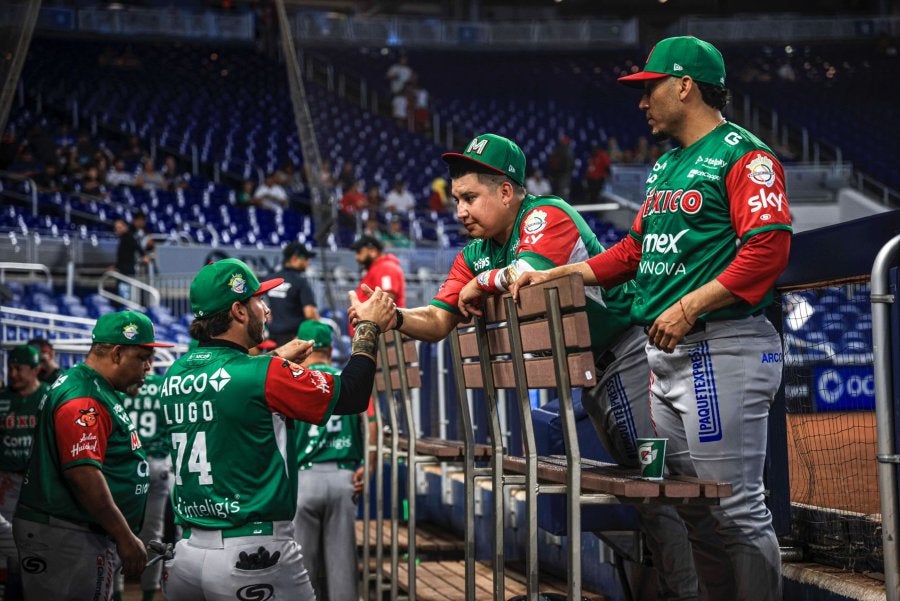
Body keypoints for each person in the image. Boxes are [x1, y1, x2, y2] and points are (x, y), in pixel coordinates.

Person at [353, 133, 697, 599]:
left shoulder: (545, 214)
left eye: (471, 198)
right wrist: (393, 316)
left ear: (506, 192)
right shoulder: (474, 253)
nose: (460, 212)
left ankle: (688, 592)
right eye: (456, 200)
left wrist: (484, 281)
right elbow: (436, 320)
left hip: (630, 356)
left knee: (658, 489)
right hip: (593, 373)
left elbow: (524, 276)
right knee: (648, 491)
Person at [511, 36, 792, 601]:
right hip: (669, 356)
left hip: (723, 346)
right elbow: (633, 251)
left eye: (650, 88)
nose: (643, 102)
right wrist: (562, 276)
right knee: (686, 505)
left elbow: (769, 247)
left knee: (736, 510)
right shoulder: (665, 165)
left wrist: (689, 306)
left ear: (684, 85)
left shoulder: (744, 155)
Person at [160, 258, 395, 601]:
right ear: (239, 312)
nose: (267, 311)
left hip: (188, 554)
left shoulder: (176, 372)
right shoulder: (263, 374)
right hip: (253, 551)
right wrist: (368, 327)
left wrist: (275, 361)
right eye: (259, 301)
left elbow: (230, 377)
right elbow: (355, 393)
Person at [14, 311, 173, 600]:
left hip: (74, 532)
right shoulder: (84, 396)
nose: (148, 366)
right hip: (66, 534)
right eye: (142, 357)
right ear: (117, 353)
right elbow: (82, 473)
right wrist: (124, 536)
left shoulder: (91, 386)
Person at [292, 319, 374, 601]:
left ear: (303, 346)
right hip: (343, 479)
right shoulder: (344, 381)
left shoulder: (294, 382)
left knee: (302, 571)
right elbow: (372, 427)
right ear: (329, 348)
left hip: (303, 480)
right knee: (343, 571)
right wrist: (368, 466)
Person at [114, 372, 170, 601]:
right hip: (155, 463)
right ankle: (149, 594)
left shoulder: (117, 385)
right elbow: (173, 424)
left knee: (115, 531)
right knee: (153, 534)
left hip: (126, 466)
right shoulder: (162, 385)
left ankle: (116, 593)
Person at [0, 345, 47, 601]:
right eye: (10, 368)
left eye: (19, 368)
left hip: (38, 485)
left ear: (35, 369)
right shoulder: (3, 398)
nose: (13, 374)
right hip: (7, 482)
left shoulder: (48, 396)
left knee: (36, 548)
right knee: (13, 552)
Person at [267, 241, 320, 346]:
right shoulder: (300, 281)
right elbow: (310, 313)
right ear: (295, 258)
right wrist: (320, 329)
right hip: (294, 339)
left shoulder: (271, 279)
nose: (308, 262)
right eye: (305, 258)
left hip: (271, 338)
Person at [351, 235, 406, 308]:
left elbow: (386, 301)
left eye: (359, 252)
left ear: (373, 251)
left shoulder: (386, 268)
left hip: (382, 319)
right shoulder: (375, 268)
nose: (357, 257)